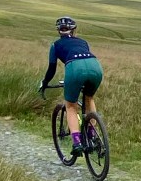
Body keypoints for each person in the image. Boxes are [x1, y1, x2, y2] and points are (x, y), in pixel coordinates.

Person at [39, 16, 103, 162]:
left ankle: (77, 142)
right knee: (89, 98)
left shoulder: (55, 46)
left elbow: (51, 69)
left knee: (71, 106)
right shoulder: (83, 42)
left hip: (75, 69)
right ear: (74, 30)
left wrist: (45, 82)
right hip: (96, 66)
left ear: (58, 31)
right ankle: (92, 134)